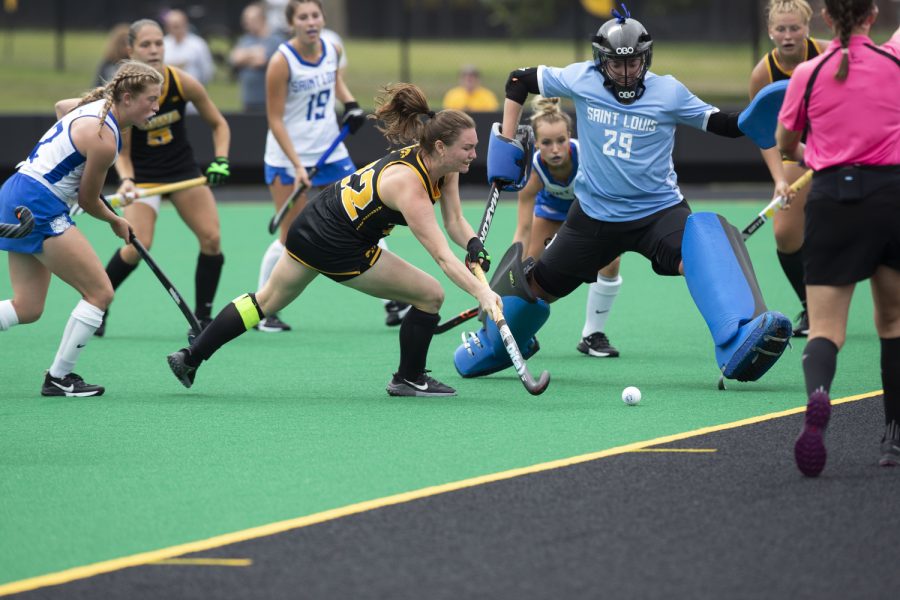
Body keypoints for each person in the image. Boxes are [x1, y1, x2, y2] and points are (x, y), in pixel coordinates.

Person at [457, 6, 793, 383]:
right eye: (617, 64)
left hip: (659, 212)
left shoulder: (669, 91)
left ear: (646, 58)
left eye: (634, 63)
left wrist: (752, 121)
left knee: (702, 244)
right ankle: (494, 344)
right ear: (601, 61)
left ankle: (741, 335)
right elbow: (518, 80)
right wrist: (507, 137)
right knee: (537, 285)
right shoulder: (580, 78)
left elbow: (722, 124)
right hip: (594, 217)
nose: (626, 72)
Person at [166, 82, 502, 398]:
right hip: (339, 244)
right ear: (441, 146)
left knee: (266, 301)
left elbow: (455, 220)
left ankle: (190, 357)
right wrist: (482, 293)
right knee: (430, 294)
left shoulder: (444, 165)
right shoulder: (409, 184)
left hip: (310, 224)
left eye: (474, 147)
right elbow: (442, 256)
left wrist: (472, 242)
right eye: (468, 148)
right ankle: (408, 378)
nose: (474, 154)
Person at [777, 0, 900, 475]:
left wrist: (819, 153)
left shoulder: (808, 71)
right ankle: (893, 438)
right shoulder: (894, 64)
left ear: (826, 18)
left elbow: (787, 144)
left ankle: (820, 397)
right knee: (892, 324)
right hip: (891, 198)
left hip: (832, 198)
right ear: (872, 16)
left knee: (826, 330)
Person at [0, 61, 162, 396]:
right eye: (151, 99)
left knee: (28, 307)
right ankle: (60, 377)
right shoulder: (104, 140)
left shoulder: (91, 108)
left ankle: (59, 378)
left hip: (16, 190)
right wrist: (118, 220)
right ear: (128, 98)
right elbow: (89, 201)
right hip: (37, 205)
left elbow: (62, 107)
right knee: (100, 292)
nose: (156, 107)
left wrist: (72, 161)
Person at [85, 19, 231, 339]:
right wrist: (127, 180)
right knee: (138, 245)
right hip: (143, 178)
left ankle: (203, 320)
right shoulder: (124, 93)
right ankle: (99, 304)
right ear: (131, 50)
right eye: (146, 45)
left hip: (182, 173)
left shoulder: (183, 83)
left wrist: (221, 160)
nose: (153, 50)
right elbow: (121, 150)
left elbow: (219, 124)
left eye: (158, 43)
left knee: (212, 239)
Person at [255, 0, 365, 332]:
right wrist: (295, 164)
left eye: (315, 15)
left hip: (330, 150)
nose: (310, 21)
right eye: (303, 17)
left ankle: (394, 302)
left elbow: (333, 81)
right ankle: (262, 308)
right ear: (292, 24)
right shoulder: (281, 62)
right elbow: (274, 119)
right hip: (288, 157)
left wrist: (351, 104)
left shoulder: (331, 47)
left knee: (363, 212)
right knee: (290, 237)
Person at [512, 96, 622, 358]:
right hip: (550, 213)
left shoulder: (590, 159)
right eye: (547, 143)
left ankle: (592, 335)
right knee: (526, 268)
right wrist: (512, 267)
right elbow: (523, 229)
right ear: (537, 143)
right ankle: (516, 332)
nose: (555, 149)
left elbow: (609, 201)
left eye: (561, 140)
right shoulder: (534, 172)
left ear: (570, 136)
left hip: (589, 213)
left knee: (611, 261)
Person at [749, 0, 828, 337]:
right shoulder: (763, 74)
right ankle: (811, 307)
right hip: (795, 153)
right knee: (784, 233)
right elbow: (764, 134)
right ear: (770, 32)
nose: (788, 35)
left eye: (795, 28)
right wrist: (780, 180)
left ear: (807, 28)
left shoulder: (827, 55)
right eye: (781, 29)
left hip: (837, 149)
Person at [229, 2, 282, 114]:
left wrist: (245, 56)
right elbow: (234, 59)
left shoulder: (275, 40)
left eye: (250, 19)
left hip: (269, 100)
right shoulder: (245, 40)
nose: (246, 23)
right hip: (248, 99)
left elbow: (261, 61)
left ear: (262, 19)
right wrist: (254, 53)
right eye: (245, 19)